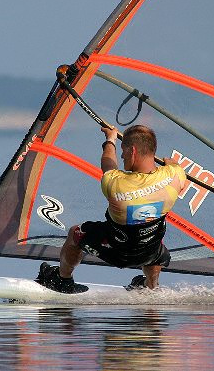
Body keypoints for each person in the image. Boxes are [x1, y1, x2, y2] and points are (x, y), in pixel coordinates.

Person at [37, 124, 187, 293]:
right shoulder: (176, 176)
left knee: (75, 233)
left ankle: (62, 280)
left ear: (132, 151)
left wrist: (110, 140)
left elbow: (108, 164)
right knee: (155, 241)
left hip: (116, 251)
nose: (122, 156)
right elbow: (175, 169)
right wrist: (172, 165)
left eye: (123, 151)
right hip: (149, 253)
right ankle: (150, 286)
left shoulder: (116, 184)